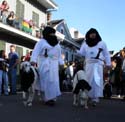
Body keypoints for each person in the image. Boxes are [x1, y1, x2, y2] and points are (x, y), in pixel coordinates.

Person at [30, 26, 64, 106]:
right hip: (44, 63)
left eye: (53, 33)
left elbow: (59, 55)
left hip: (54, 65)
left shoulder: (57, 44)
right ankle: (46, 98)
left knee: (54, 81)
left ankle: (52, 98)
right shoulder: (41, 42)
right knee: (46, 80)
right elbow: (35, 52)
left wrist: (61, 63)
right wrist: (33, 60)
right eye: (50, 33)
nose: (52, 35)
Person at [77, 28, 111, 106]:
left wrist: (108, 64)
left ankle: (95, 98)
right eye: (91, 33)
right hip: (88, 64)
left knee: (96, 81)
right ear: (88, 35)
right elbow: (81, 53)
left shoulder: (102, 43)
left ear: (97, 34)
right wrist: (76, 51)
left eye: (94, 33)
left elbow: (106, 54)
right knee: (88, 80)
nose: (93, 34)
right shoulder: (85, 43)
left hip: (98, 64)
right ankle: (87, 96)